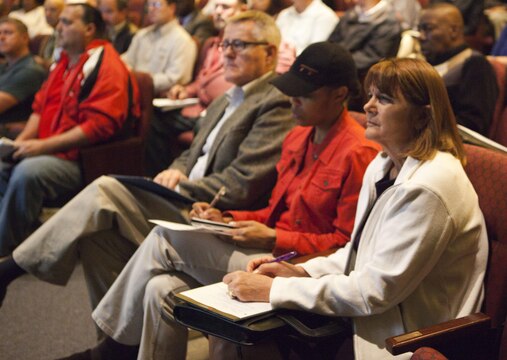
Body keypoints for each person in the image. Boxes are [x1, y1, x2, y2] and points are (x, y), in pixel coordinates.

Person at [65, 41, 380, 360]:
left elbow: (345, 246)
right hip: (267, 252)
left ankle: (110, 351)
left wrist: (273, 236)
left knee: (165, 238)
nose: (292, 100)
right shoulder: (298, 135)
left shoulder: (358, 153)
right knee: (158, 289)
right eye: (291, 89)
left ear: (339, 95)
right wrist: (226, 216)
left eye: (305, 94)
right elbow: (273, 212)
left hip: (298, 269)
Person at [0, 10, 294, 313]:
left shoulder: (275, 101)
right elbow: (191, 155)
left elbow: (242, 183)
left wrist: (183, 186)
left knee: (105, 189)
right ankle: (112, 346)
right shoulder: (225, 98)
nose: (227, 54)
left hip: (213, 214)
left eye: (239, 45)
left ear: (269, 52)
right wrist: (175, 170)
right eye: (224, 44)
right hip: (186, 198)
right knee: (97, 236)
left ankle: (11, 268)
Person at [221, 57, 488, 359]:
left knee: (247, 334)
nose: (369, 106)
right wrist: (298, 271)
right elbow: (358, 254)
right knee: (234, 327)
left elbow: (374, 292)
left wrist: (273, 291)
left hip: (408, 336)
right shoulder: (383, 164)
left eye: (384, 99)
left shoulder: (429, 185)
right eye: (371, 95)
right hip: (373, 315)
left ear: (422, 116)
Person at [0, 3, 135, 256]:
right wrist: (21, 143)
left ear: (89, 28)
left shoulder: (106, 64)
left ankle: (7, 253)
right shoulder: (62, 61)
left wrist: (41, 146)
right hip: (50, 149)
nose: (58, 27)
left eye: (66, 22)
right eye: (59, 21)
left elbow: (98, 127)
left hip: (85, 158)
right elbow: (40, 109)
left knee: (28, 172)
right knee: (3, 165)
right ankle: (13, 236)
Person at [145, 0, 246, 175]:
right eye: (217, 7)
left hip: (224, 110)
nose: (219, 12)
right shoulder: (212, 44)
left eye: (226, 7)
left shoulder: (245, 47)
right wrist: (185, 90)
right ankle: (159, 175)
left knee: (170, 123)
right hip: (197, 107)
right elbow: (201, 81)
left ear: (243, 10)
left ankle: (173, 178)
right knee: (153, 117)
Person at [419, 3, 498, 136]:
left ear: (453, 31)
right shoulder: (427, 64)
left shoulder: (475, 64)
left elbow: (473, 125)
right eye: (419, 29)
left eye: (428, 29)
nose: (421, 36)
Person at [121, 0, 196, 95]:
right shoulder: (141, 35)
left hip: (157, 99)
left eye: (156, 4)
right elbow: (127, 61)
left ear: (172, 8)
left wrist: (140, 81)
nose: (151, 9)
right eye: (149, 5)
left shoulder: (183, 40)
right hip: (130, 91)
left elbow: (175, 78)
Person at [328, 0, 402, 74]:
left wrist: (334, 63)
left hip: (361, 76)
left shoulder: (388, 21)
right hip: (338, 67)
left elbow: (372, 57)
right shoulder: (352, 13)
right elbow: (331, 42)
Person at [0, 17, 46, 123]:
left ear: (25, 38)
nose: (1, 37)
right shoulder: (4, 66)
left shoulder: (30, 70)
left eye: (8, 33)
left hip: (9, 134)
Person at [36, 0, 64, 69]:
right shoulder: (50, 36)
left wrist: (42, 63)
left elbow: (61, 64)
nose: (47, 14)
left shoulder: (66, 37)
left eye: (53, 10)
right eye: (45, 10)